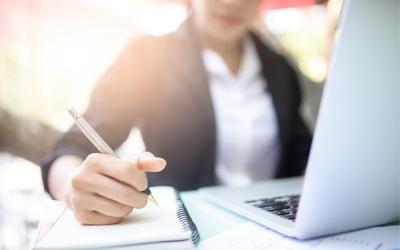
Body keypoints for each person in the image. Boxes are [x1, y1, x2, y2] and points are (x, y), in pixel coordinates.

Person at [42, 0, 312, 225]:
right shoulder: (146, 57)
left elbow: (304, 155)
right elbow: (70, 148)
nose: (233, 3)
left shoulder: (280, 68)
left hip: (273, 230)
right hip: (182, 230)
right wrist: (73, 189)